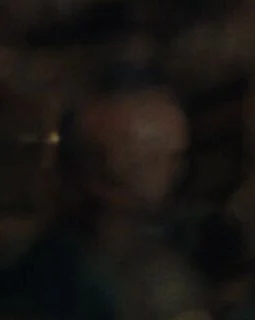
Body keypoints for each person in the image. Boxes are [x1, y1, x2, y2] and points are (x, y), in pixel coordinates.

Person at [0, 64, 206, 320]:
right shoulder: (54, 277)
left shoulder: (178, 253)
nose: (172, 172)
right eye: (146, 159)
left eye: (174, 156)